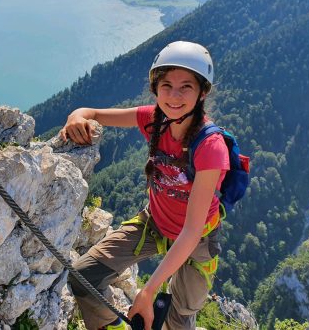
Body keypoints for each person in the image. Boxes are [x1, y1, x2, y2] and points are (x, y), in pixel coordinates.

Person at [62, 41, 229, 330]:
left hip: (197, 238)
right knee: (84, 275)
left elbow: (190, 231)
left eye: (185, 87)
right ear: (155, 88)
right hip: (155, 223)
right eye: (166, 85)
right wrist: (76, 117)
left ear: (202, 92)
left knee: (179, 320)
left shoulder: (211, 147)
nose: (174, 96)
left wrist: (148, 290)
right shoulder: (153, 119)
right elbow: (94, 113)